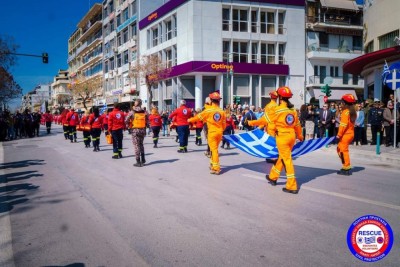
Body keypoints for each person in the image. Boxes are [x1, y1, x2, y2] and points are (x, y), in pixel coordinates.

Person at [264, 86, 303, 194]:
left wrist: (250, 123)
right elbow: (297, 125)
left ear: (280, 97)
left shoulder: (277, 109)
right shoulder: (293, 110)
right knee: (282, 157)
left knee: (287, 161)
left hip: (282, 137)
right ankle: (273, 176)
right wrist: (300, 136)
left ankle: (292, 185)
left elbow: (265, 120)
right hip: (291, 136)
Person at [188, 92, 226, 175]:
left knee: (214, 150)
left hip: (212, 132)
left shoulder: (208, 110)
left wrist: (189, 120)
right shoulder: (222, 111)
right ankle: (212, 164)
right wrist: (221, 131)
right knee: (214, 149)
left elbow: (198, 117)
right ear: (219, 101)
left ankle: (216, 168)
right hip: (219, 132)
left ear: (211, 100)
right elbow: (224, 125)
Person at [336, 94, 357, 175]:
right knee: (339, 149)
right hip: (350, 134)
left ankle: (346, 168)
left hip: (345, 134)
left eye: (342, 102)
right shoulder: (352, 112)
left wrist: (339, 135)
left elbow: (343, 125)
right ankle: (345, 165)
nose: (341, 104)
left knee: (343, 150)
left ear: (345, 103)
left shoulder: (345, 112)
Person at [126, 99, 148, 167]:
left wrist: (128, 126)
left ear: (136, 103)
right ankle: (143, 159)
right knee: (141, 144)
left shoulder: (132, 112)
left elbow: (126, 120)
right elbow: (147, 121)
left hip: (135, 130)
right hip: (142, 130)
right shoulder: (145, 112)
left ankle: (138, 162)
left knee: (136, 145)